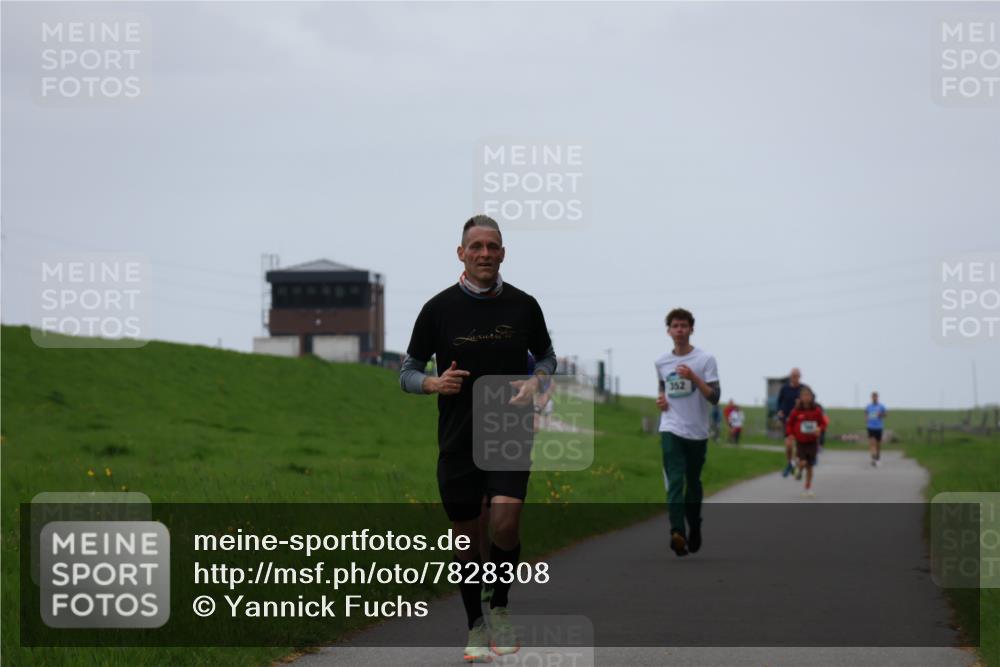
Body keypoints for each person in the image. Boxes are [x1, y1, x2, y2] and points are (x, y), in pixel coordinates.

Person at [399, 215, 556, 662]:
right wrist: (432, 384)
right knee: (467, 538)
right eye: (476, 247)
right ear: (461, 253)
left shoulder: (524, 306)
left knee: (505, 523)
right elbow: (407, 371)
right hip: (457, 437)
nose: (484, 254)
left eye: (493, 246)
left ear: (503, 253)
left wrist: (538, 380)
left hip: (508, 431)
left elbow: (546, 355)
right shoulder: (438, 309)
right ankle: (474, 626)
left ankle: (500, 607)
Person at [654, 308, 721, 557]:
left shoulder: (705, 360)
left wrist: (694, 377)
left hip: (697, 431)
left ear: (692, 329)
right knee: (675, 479)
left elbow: (714, 397)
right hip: (671, 426)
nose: (679, 330)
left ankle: (694, 525)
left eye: (684, 326)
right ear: (669, 331)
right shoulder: (661, 361)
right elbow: (663, 388)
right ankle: (676, 532)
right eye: (675, 326)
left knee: (693, 483)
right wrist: (661, 400)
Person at [786, 385, 825, 497]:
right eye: (804, 395)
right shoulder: (796, 411)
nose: (806, 397)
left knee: (810, 466)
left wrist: (819, 429)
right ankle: (798, 467)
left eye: (808, 395)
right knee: (803, 462)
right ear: (801, 397)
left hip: (812, 442)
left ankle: (807, 488)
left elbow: (823, 423)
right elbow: (790, 424)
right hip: (800, 442)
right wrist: (790, 435)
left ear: (812, 397)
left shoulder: (816, 411)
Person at [776, 368, 803, 477]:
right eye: (792, 376)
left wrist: (801, 403)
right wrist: (779, 411)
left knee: (798, 446)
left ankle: (794, 465)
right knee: (788, 445)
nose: (794, 378)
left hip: (800, 421)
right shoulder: (785, 388)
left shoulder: (803, 389)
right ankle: (789, 463)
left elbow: (811, 400)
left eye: (796, 376)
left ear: (800, 376)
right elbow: (779, 402)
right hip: (787, 420)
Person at [865, 391, 887, 467]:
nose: (874, 398)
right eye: (873, 397)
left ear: (877, 397)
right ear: (871, 398)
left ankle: (877, 458)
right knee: (872, 443)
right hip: (870, 427)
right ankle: (873, 458)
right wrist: (867, 419)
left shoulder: (881, 406)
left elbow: (886, 414)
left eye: (876, 397)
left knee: (878, 444)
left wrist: (880, 414)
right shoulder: (868, 406)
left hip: (879, 427)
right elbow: (866, 415)